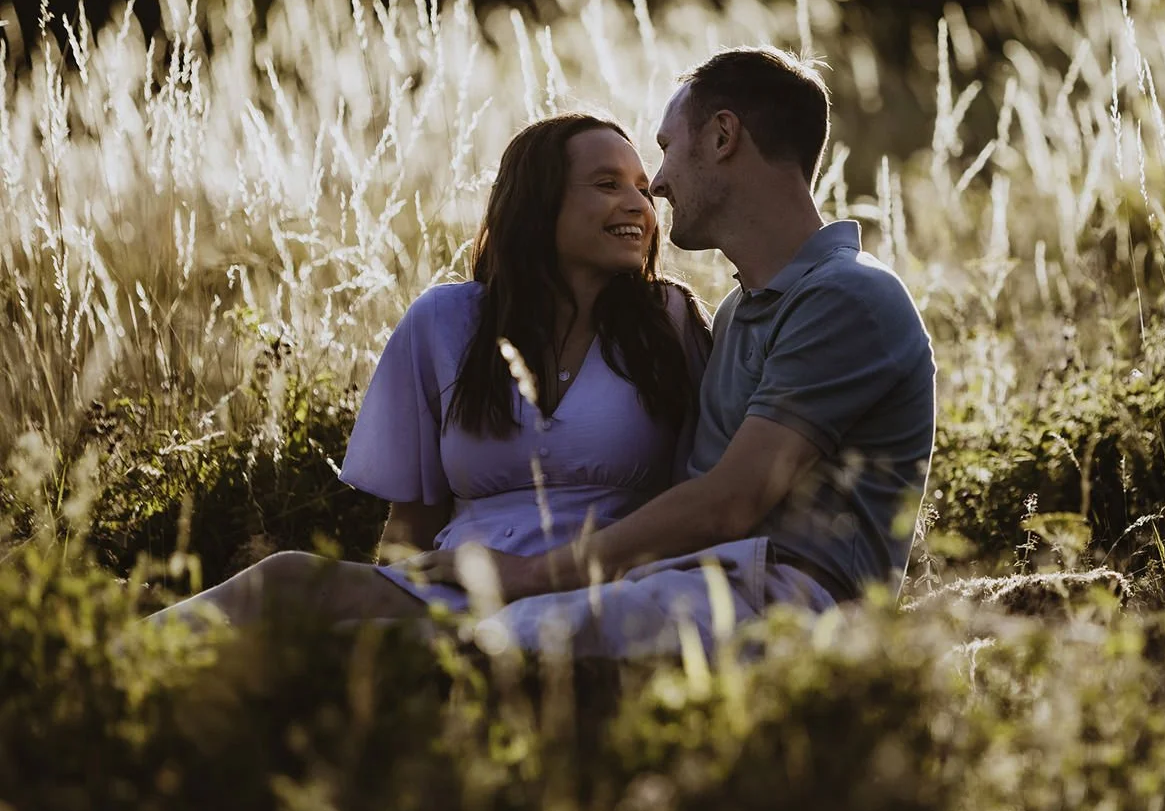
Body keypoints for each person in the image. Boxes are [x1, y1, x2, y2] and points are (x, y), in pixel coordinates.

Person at [146, 112, 710, 630]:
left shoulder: (671, 321)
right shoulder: (444, 321)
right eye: (608, 185)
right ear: (539, 203)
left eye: (642, 187)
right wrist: (388, 614)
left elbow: (703, 494)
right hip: (456, 591)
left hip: (607, 590)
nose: (640, 203)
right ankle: (92, 682)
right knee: (284, 581)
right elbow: (410, 527)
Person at [465, 47, 937, 659]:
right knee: (313, 585)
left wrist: (533, 575)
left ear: (722, 136)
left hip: (786, 597)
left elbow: (730, 502)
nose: (656, 186)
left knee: (494, 647)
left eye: (665, 149)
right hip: (691, 583)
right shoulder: (741, 311)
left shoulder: (849, 296)